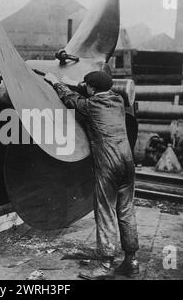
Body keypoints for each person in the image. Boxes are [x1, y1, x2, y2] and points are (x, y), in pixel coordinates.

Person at [44, 70, 139, 280]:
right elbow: (91, 90)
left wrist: (55, 82)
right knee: (126, 211)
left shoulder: (91, 105)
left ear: (92, 89)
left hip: (109, 164)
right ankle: (131, 262)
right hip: (127, 162)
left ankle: (105, 266)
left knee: (105, 212)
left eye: (87, 86)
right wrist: (76, 82)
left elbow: (71, 99)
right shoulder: (117, 100)